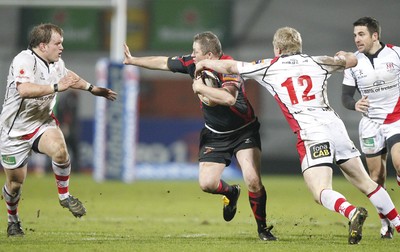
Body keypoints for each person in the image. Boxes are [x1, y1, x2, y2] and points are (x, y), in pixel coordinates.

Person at [194, 26, 400, 245]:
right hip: (336, 128)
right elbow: (352, 61)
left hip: (313, 134)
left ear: (278, 48)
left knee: (320, 190)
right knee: (367, 183)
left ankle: (350, 212)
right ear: (299, 46)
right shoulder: (318, 61)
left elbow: (231, 66)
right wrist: (343, 55)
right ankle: (397, 224)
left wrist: (204, 63)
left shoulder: (269, 66)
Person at [123, 31, 276, 241]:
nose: (192, 56)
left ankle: (263, 229)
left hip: (243, 131)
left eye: (196, 52)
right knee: (207, 184)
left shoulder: (230, 67)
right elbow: (163, 62)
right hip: (215, 134)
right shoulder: (193, 63)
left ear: (210, 55)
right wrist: (133, 61)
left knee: (252, 180)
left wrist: (200, 87)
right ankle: (231, 193)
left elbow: (229, 99)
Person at [0, 23, 117, 237]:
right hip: (13, 132)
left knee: (61, 151)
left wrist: (92, 89)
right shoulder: (23, 60)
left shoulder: (56, 63)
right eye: (58, 43)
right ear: (43, 45)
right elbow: (24, 90)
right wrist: (56, 88)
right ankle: (13, 219)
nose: (61, 47)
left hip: (41, 124)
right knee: (15, 185)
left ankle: (64, 197)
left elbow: (68, 77)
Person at [341, 16, 400, 239]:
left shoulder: (396, 54)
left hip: (396, 119)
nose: (357, 39)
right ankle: (386, 224)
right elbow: (346, 97)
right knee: (375, 178)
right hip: (370, 124)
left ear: (375, 36)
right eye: (355, 35)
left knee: (399, 162)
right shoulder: (354, 62)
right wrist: (354, 104)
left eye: (362, 34)